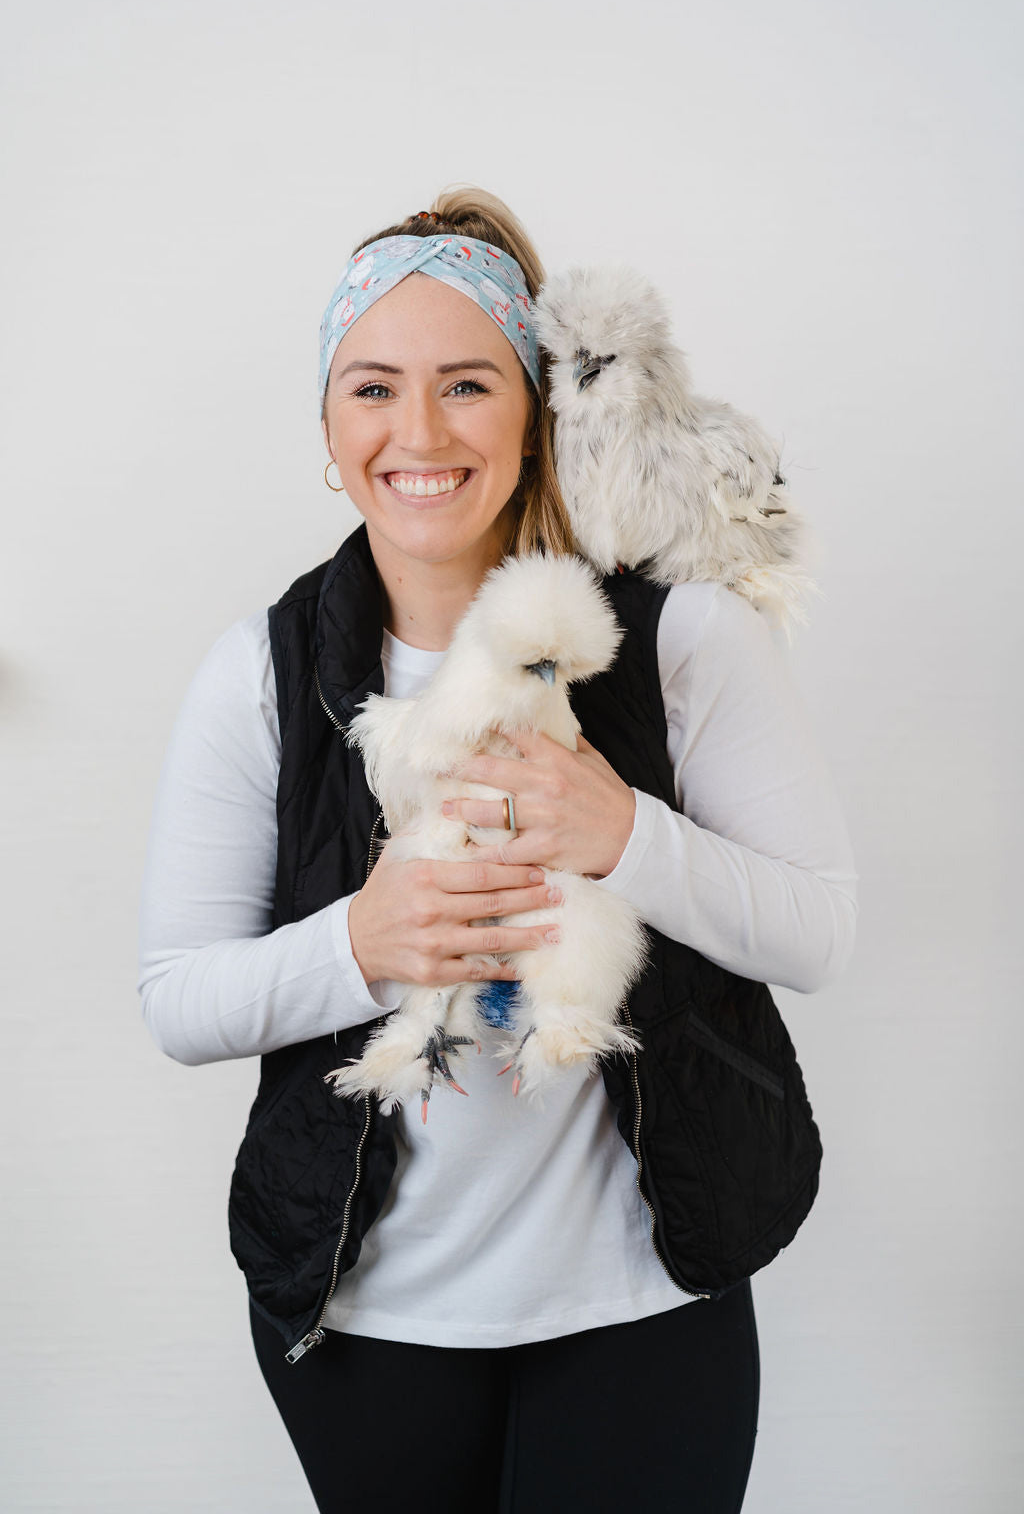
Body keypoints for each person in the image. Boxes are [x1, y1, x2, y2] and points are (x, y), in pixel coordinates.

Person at [138, 188, 858, 1513]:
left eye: (467, 384)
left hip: (647, 1310)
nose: (418, 433)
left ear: (533, 412)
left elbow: (819, 930)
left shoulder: (685, 638)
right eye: (372, 388)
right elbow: (179, 999)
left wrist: (625, 833)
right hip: (362, 1324)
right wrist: (360, 945)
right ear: (328, 428)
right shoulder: (261, 675)